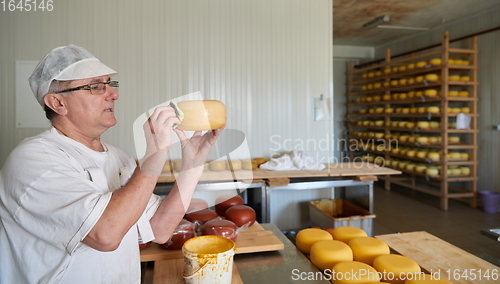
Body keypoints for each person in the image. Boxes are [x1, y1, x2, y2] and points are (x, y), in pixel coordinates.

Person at [0, 44, 221, 283]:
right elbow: (105, 235)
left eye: (110, 84)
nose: (113, 94)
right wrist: (155, 153)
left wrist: (193, 164)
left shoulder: (119, 157)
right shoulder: (33, 159)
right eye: (96, 87)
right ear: (57, 103)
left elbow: (159, 229)